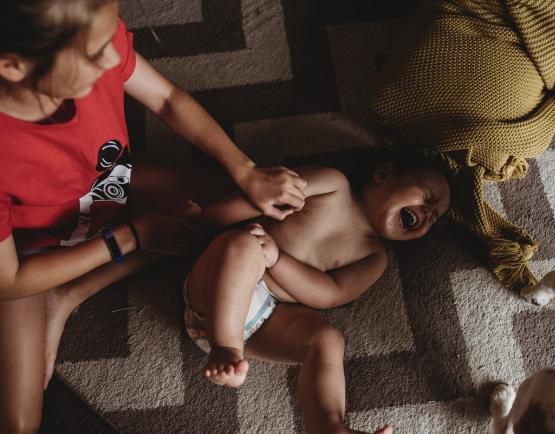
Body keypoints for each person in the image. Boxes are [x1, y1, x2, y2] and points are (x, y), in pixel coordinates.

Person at [0, 1, 306, 432]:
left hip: (111, 183)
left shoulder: (92, 33)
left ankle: (68, 296)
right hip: (34, 250)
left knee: (261, 200)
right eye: (93, 53)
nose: (114, 58)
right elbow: (10, 280)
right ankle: (59, 291)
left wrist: (244, 169)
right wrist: (129, 237)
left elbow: (166, 98)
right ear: (12, 66)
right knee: (18, 423)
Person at [183, 155, 451, 434]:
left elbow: (328, 295)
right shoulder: (332, 184)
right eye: (427, 197)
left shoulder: (373, 257)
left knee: (328, 339)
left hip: (262, 319)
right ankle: (224, 348)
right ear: (383, 173)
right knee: (242, 244)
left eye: (433, 217)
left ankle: (329, 426)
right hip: (216, 288)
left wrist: (277, 259)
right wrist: (207, 218)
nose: (427, 213)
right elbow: (261, 198)